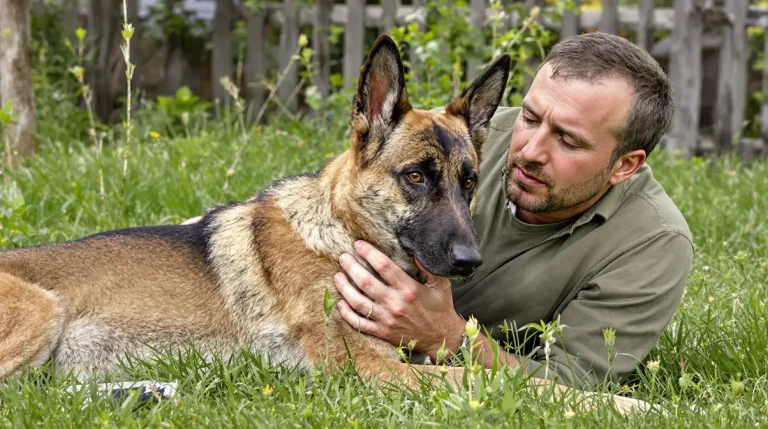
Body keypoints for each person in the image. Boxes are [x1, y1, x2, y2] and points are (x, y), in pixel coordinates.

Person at [332, 32, 694, 388]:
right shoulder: (466, 138)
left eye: (567, 139)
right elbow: (365, 176)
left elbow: (571, 386)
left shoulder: (653, 243)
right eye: (531, 118)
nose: (530, 151)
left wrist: (447, 336)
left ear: (624, 166)